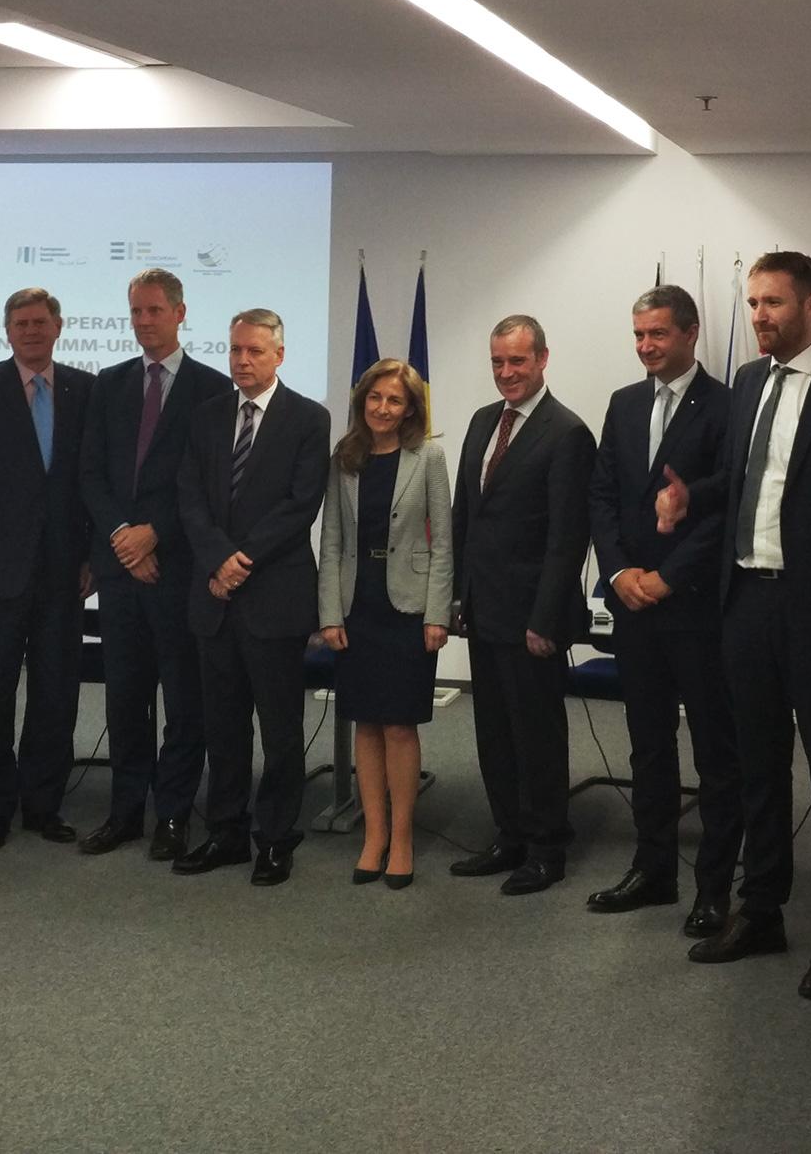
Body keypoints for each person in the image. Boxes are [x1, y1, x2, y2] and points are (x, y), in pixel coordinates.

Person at [657, 250, 811, 999]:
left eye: (773, 303)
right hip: (746, 603)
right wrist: (692, 497)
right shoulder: (748, 382)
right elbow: (745, 478)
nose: (759, 315)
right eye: (754, 302)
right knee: (757, 768)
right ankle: (761, 910)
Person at [586, 285, 743, 936]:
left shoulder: (728, 406)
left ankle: (713, 888)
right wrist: (620, 572)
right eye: (638, 335)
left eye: (657, 334)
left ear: (690, 332)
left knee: (715, 752)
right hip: (633, 606)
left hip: (696, 608)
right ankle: (652, 870)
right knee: (648, 746)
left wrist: (669, 577)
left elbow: (727, 508)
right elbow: (603, 496)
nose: (646, 346)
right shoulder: (624, 403)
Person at [76, 269, 232, 861]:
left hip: (179, 571)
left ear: (180, 313)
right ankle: (124, 813)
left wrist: (154, 535)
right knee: (124, 698)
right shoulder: (109, 383)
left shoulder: (211, 388)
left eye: (154, 310)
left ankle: (172, 815)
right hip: (120, 571)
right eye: (136, 311)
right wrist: (123, 537)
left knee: (183, 701)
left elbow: (205, 481)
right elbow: (91, 472)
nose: (143, 321)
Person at [174, 308, 329, 885]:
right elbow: (189, 495)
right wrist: (219, 558)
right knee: (223, 727)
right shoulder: (207, 415)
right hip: (214, 597)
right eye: (235, 349)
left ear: (279, 355)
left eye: (254, 351)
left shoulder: (308, 418)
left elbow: (300, 503)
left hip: (274, 597)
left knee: (280, 729)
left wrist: (240, 561)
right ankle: (226, 832)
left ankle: (276, 837)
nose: (242, 360)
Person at [449, 314, 595, 895]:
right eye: (497, 362)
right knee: (494, 732)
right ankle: (508, 834)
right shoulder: (484, 420)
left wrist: (544, 619)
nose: (506, 372)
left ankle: (545, 847)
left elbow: (568, 537)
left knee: (536, 736)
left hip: (534, 617)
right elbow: (466, 514)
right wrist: (457, 595)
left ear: (542, 359)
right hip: (484, 609)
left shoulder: (567, 432)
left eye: (517, 361)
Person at [0, 287, 93, 853]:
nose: (31, 331)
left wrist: (90, 556)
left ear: (58, 327)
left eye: (40, 322)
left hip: (64, 572)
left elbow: (92, 480)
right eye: (21, 323)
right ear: (7, 332)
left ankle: (43, 804)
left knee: (56, 693)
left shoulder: (85, 389)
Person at [317, 359, 452, 891]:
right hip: (358, 604)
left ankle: (402, 839)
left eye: (395, 400)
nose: (383, 408)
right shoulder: (345, 456)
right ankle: (373, 835)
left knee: (399, 724)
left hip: (408, 608)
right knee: (365, 723)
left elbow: (443, 541)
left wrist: (438, 613)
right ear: (362, 401)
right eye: (375, 398)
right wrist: (330, 613)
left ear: (411, 408)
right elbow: (331, 540)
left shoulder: (429, 457)